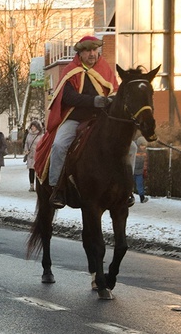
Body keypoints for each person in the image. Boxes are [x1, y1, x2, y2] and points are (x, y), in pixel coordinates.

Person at [34, 35, 118, 209]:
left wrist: (111, 101)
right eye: (88, 50)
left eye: (95, 50)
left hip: (101, 119)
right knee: (58, 146)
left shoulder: (105, 68)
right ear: (80, 53)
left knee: (129, 147)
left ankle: (124, 188)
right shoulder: (71, 70)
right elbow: (68, 96)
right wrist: (94, 101)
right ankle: (57, 188)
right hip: (75, 118)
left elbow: (114, 91)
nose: (92, 54)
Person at [24, 120, 44, 192]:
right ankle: (31, 186)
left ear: (37, 127)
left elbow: (43, 145)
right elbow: (26, 143)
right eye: (31, 126)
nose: (32, 127)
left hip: (38, 156)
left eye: (34, 126)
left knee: (38, 171)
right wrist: (26, 150)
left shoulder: (41, 135)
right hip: (30, 156)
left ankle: (38, 186)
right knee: (31, 171)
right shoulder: (29, 134)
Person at [133, 136, 149, 203]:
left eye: (144, 146)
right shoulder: (134, 149)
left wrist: (144, 170)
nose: (143, 147)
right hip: (132, 171)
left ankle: (142, 198)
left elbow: (145, 161)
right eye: (142, 145)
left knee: (140, 185)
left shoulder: (145, 152)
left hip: (139, 171)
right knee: (129, 185)